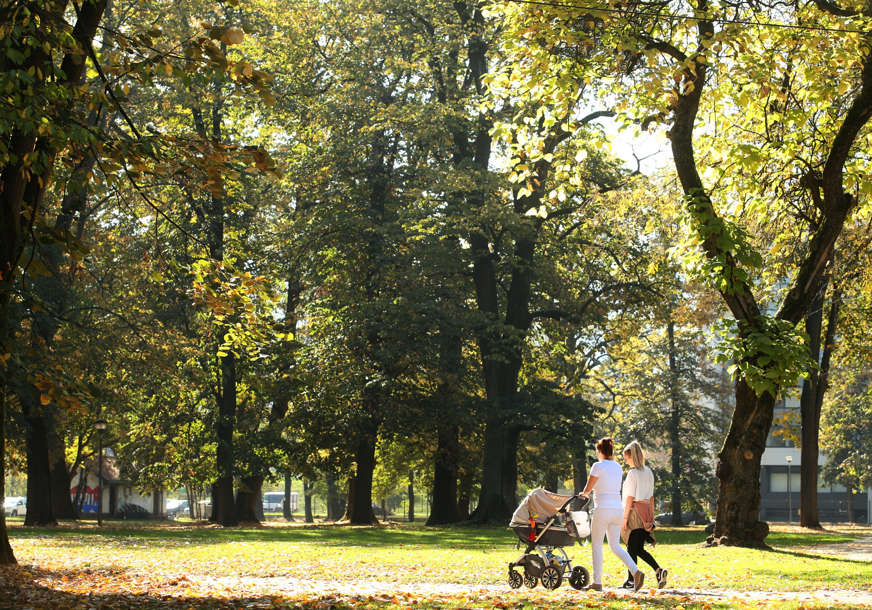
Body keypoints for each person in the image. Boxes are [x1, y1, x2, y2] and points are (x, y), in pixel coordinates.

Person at [580, 437, 645, 592]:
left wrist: (584, 494)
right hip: (617, 509)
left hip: (602, 509)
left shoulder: (598, 466)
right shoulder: (617, 466)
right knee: (615, 546)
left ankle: (597, 582)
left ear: (600, 451)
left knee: (596, 545)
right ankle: (636, 572)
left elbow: (589, 487)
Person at [620, 440, 667, 589]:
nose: (625, 461)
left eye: (626, 458)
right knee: (637, 548)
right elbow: (651, 497)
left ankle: (632, 580)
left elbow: (629, 498)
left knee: (631, 549)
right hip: (645, 512)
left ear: (631, 456)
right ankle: (658, 571)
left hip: (634, 513)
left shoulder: (632, 474)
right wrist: (650, 517)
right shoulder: (649, 472)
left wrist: (625, 518)